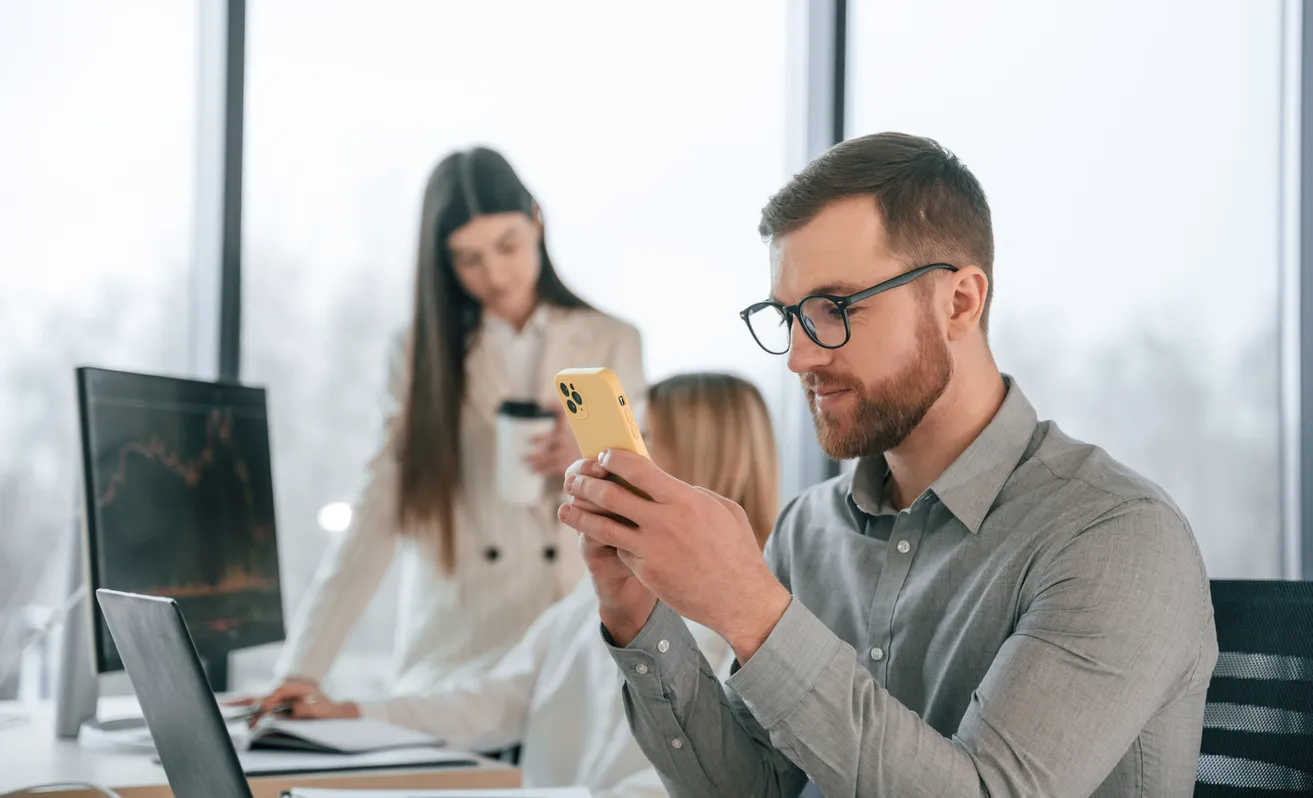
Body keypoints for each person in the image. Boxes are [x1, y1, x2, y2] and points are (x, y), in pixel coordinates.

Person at [560, 132, 1219, 797]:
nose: (798, 357)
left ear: (959, 302)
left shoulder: (1115, 539)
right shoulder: (809, 529)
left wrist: (753, 612)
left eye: (834, 309)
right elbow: (755, 790)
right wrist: (636, 612)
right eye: (788, 315)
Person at [262, 373, 779, 798]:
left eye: (642, 438)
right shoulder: (597, 590)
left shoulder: (745, 618)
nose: (619, 458)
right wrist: (351, 712)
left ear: (698, 461)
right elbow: (498, 700)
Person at [261, 147, 646, 707]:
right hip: (458, 650)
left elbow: (650, 489)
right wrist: (303, 668)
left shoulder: (613, 339)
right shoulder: (420, 351)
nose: (493, 274)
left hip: (577, 643)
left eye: (507, 246)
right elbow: (376, 510)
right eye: (468, 259)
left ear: (537, 221)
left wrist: (593, 450)